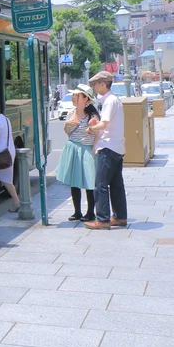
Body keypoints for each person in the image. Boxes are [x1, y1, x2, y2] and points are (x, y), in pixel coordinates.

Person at [85, 70, 127, 229]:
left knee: (101, 184)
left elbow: (105, 124)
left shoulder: (109, 101)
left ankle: (102, 219)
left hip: (108, 147)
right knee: (116, 184)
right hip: (117, 147)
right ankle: (120, 216)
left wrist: (92, 128)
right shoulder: (114, 99)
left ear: (103, 84)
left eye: (95, 84)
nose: (94, 87)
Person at [55, 84, 100, 222]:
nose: (74, 98)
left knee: (88, 181)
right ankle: (77, 212)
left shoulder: (92, 116)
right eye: (74, 95)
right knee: (74, 182)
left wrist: (94, 148)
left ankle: (90, 212)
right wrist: (67, 124)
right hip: (73, 148)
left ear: (86, 99)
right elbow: (68, 132)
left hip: (86, 149)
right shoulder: (71, 113)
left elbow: (98, 133)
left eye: (77, 95)